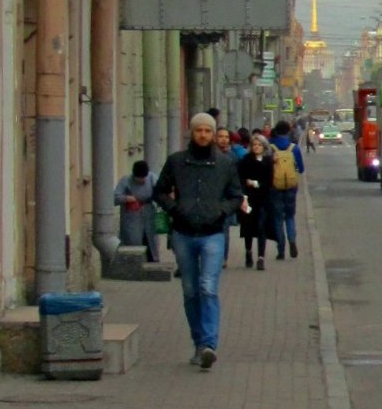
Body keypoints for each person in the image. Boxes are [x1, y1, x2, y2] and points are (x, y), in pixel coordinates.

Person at [154, 111, 243, 367]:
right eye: (198, 131)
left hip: (213, 234)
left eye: (207, 131)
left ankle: (209, 345)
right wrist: (175, 209)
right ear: (191, 133)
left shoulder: (225, 164)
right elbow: (159, 192)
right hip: (183, 233)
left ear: (214, 134)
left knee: (208, 287)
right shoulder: (177, 162)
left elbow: (236, 196)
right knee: (190, 290)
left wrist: (221, 211)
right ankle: (199, 343)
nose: (203, 135)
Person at [237, 132, 277, 268]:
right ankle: (248, 253)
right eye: (254, 145)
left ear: (264, 147)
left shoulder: (268, 161)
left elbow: (269, 181)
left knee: (261, 227)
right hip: (248, 198)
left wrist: (255, 183)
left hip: (263, 199)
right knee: (248, 226)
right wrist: (245, 186)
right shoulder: (246, 160)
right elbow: (240, 178)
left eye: (259, 145)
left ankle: (261, 258)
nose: (256, 147)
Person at [268, 117, 306, 261]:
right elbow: (301, 169)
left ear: (276, 132)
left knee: (277, 218)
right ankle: (292, 240)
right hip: (291, 187)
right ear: (288, 131)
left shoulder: (270, 148)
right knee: (290, 216)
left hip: (274, 187)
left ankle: (281, 250)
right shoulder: (294, 148)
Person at [114, 157, 159, 260]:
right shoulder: (126, 181)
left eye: (144, 177)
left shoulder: (152, 178)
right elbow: (114, 198)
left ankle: (153, 259)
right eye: (139, 178)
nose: (141, 180)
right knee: (133, 239)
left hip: (149, 213)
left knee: (151, 239)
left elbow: (160, 193)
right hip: (132, 215)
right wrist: (126, 198)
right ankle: (133, 260)